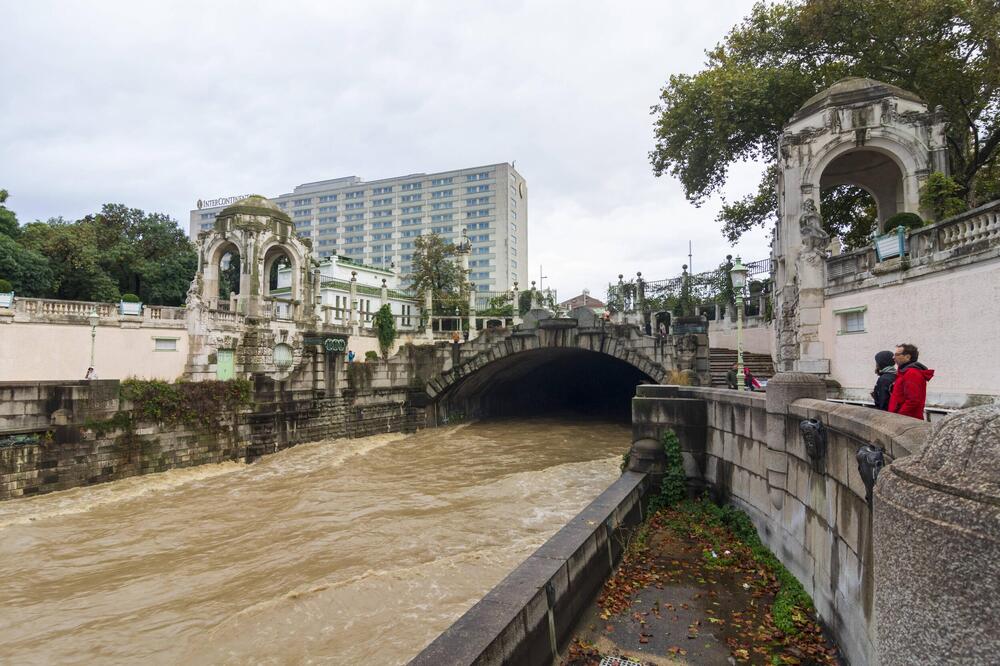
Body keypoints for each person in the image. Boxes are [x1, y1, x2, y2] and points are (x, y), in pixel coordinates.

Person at [888, 343, 934, 420]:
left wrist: (899, 417)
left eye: (897, 355)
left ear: (907, 357)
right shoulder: (904, 372)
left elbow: (913, 400)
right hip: (901, 418)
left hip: (906, 420)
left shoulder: (912, 373)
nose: (893, 357)